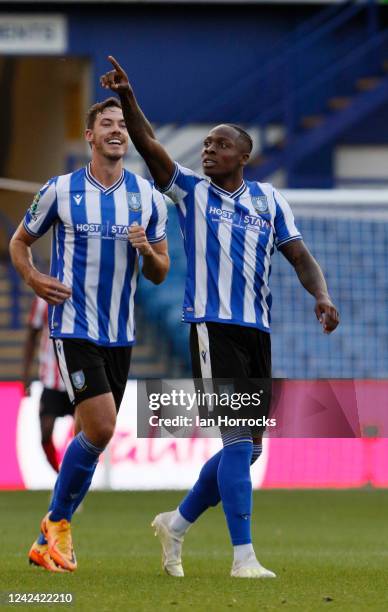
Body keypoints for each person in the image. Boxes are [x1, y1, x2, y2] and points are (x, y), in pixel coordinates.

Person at [100, 56, 340, 579]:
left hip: (257, 331)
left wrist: (321, 296)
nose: (208, 151)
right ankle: (243, 557)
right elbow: (150, 148)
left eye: (220, 145)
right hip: (212, 327)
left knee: (249, 449)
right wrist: (130, 100)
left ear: (244, 156)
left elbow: (299, 256)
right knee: (235, 438)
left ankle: (177, 522)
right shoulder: (191, 191)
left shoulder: (270, 201)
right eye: (206, 144)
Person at [9, 96, 169, 573]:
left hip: (121, 334)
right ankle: (58, 525)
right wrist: (34, 278)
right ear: (90, 135)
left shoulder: (147, 197)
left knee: (92, 437)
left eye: (122, 124)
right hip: (73, 326)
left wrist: (149, 253)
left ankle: (49, 537)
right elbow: (19, 241)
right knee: (99, 427)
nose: (117, 130)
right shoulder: (59, 190)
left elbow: (160, 272)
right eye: (107, 124)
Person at [22, 295, 75, 473]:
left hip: (79, 379)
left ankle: (75, 481)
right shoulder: (41, 298)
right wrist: (25, 375)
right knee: (45, 433)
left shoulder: (83, 291)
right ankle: (62, 479)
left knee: (87, 434)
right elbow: (31, 336)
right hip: (51, 380)